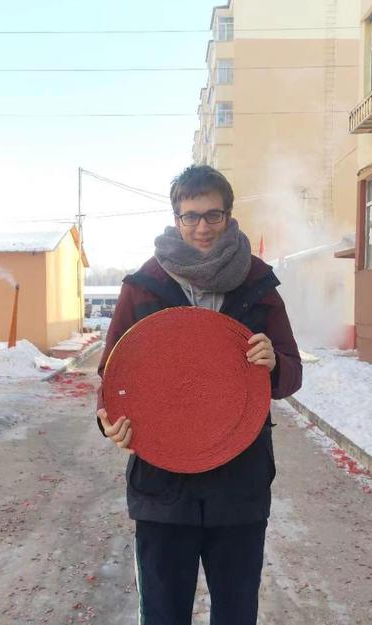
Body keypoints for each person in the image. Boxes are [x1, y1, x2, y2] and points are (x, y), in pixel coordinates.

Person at [96, 164, 302, 625]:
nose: (202, 227)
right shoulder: (143, 287)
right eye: (191, 216)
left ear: (229, 216)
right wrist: (109, 419)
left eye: (213, 215)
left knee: (235, 614)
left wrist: (275, 363)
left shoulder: (258, 284)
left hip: (239, 486)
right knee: (164, 615)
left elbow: (291, 376)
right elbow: (112, 374)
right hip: (163, 488)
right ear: (176, 219)